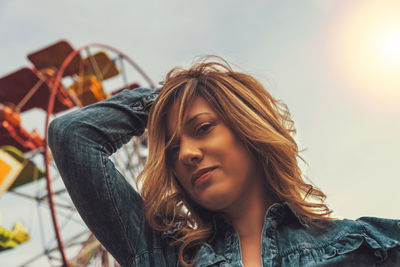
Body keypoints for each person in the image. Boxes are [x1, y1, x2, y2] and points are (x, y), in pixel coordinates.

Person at [48, 58, 400, 267]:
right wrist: (170, 96)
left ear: (249, 128)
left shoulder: (366, 243)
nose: (186, 154)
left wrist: (201, 88)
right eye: (171, 150)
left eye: (202, 128)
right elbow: (72, 135)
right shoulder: (168, 258)